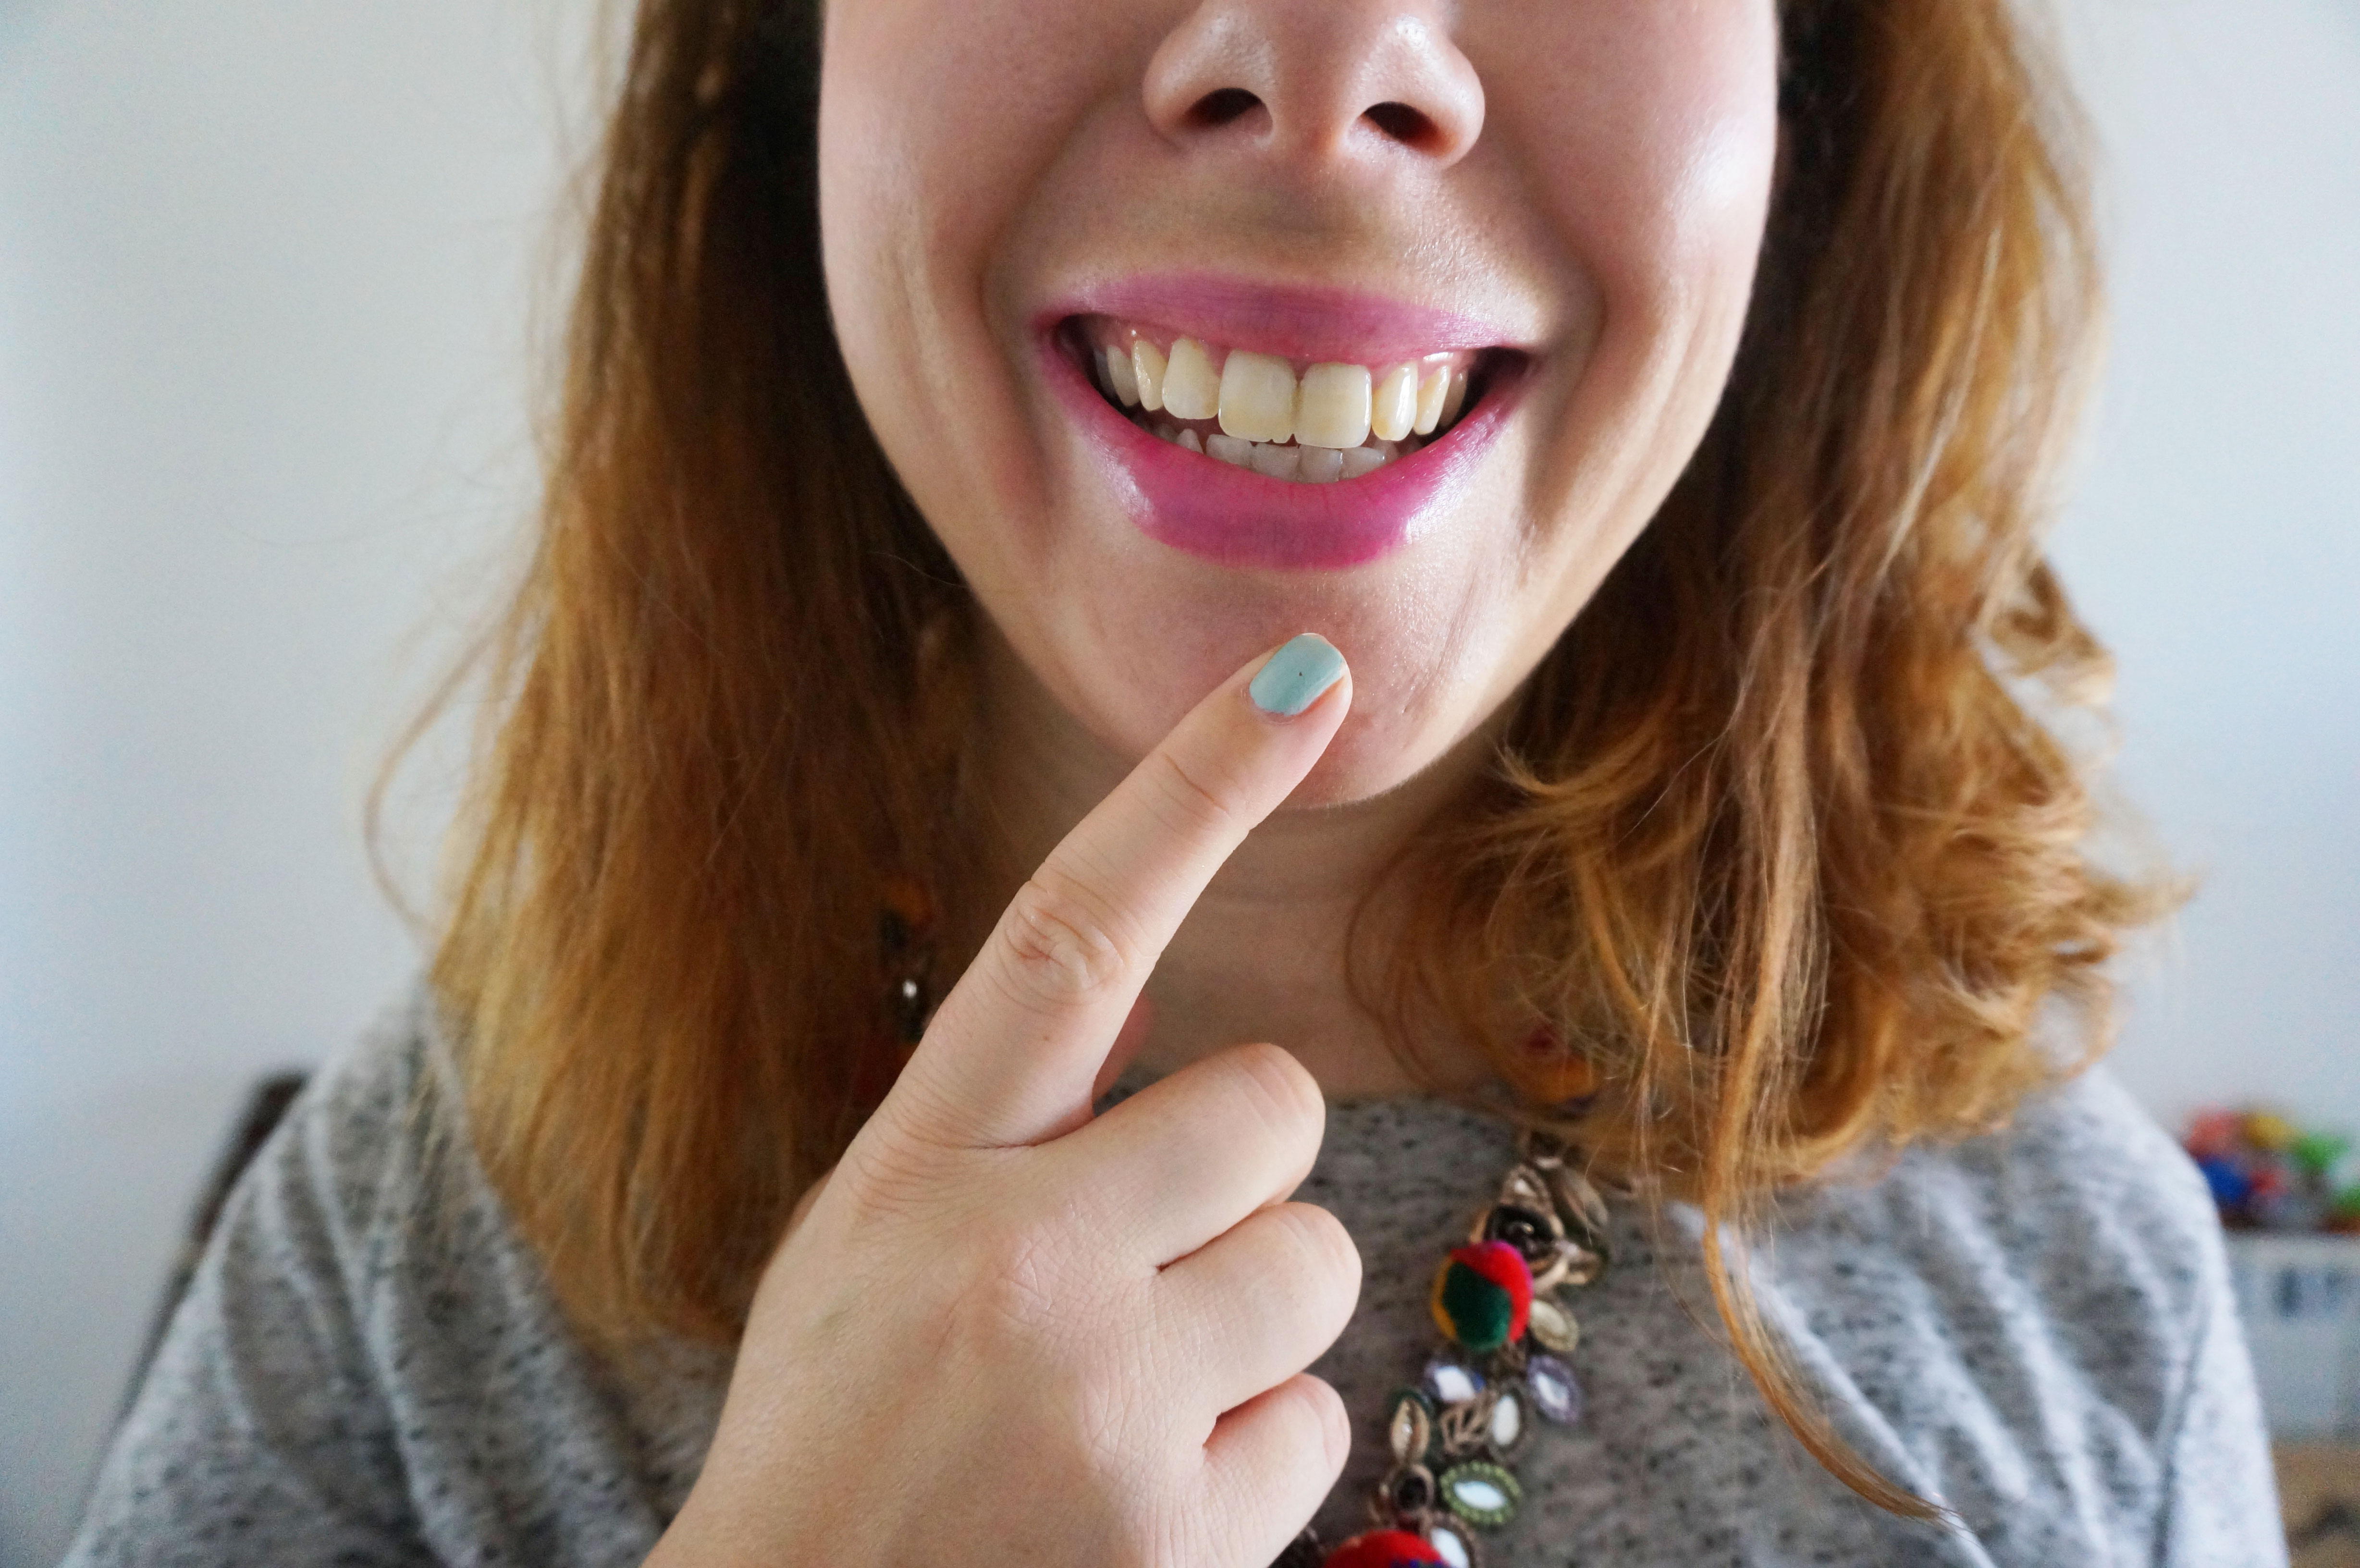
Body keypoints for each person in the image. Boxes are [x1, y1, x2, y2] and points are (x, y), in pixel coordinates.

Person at [68, 0, 2287, 1564]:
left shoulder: (2081, 1299)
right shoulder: (420, 1227)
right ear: (780, 48)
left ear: (1814, 78)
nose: (1327, 62)